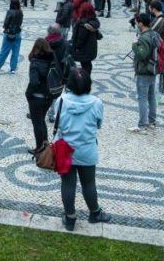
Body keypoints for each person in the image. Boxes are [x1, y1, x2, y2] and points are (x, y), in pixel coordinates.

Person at [57, 68, 111, 231]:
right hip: (87, 149)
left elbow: (57, 122)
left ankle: (70, 218)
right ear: (89, 84)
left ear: (69, 84)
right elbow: (98, 124)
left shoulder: (61, 100)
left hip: (65, 149)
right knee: (89, 183)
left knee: (68, 184)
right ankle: (95, 213)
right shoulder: (97, 103)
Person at [25, 38, 55, 154]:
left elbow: (34, 82)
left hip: (37, 98)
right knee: (42, 120)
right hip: (49, 97)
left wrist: (28, 94)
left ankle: (39, 148)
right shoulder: (52, 60)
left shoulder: (35, 63)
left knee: (37, 123)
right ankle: (45, 143)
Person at [131, 13, 158, 134]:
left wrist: (135, 45)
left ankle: (142, 126)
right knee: (151, 96)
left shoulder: (143, 38)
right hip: (153, 69)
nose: (135, 24)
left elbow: (142, 55)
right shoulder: (154, 34)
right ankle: (152, 121)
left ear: (141, 23)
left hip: (144, 71)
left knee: (142, 98)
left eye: (136, 22)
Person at [0, 0, 23, 74]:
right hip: (18, 34)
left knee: (4, 51)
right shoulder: (20, 12)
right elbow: (20, 23)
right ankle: (13, 69)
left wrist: (4, 27)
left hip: (9, 34)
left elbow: (5, 24)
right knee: (16, 52)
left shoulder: (9, 12)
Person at [71, 2, 100, 75]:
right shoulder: (94, 21)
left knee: (85, 66)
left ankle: (86, 79)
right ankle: (87, 77)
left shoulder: (84, 25)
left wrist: (75, 47)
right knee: (88, 65)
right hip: (91, 48)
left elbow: (80, 39)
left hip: (84, 50)